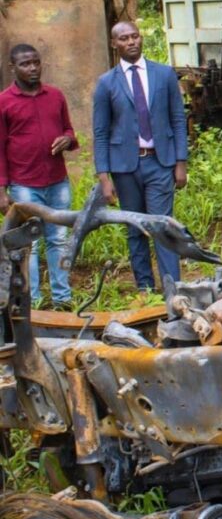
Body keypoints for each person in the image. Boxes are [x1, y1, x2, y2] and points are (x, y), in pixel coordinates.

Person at [93, 21, 189, 291]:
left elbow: (178, 120)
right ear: (115, 44)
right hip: (125, 168)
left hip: (160, 163)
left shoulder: (164, 75)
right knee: (135, 229)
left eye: (135, 36)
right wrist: (104, 177)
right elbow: (100, 132)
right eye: (124, 38)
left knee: (162, 226)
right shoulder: (106, 83)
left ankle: (173, 288)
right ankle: (145, 289)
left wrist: (180, 162)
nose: (132, 42)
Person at [0, 45, 77, 308]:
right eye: (25, 64)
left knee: (58, 239)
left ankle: (62, 299)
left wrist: (67, 139)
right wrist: (1, 189)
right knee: (28, 245)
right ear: (13, 68)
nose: (32, 68)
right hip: (23, 185)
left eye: (36, 62)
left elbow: (68, 128)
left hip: (57, 181)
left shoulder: (55, 96)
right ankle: (32, 302)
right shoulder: (4, 102)